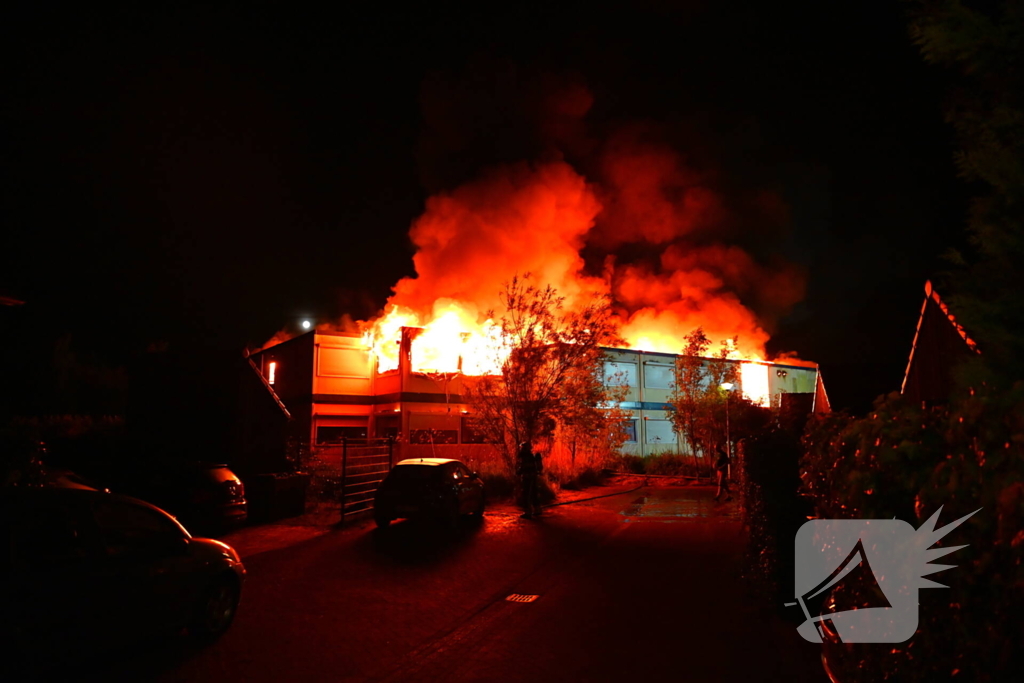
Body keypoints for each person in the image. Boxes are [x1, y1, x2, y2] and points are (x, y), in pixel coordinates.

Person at [516, 441, 543, 518]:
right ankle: (537, 510)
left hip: (528, 478)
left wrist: (519, 472)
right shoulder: (528, 456)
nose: (521, 449)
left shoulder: (527, 457)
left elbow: (525, 467)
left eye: (522, 447)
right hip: (531, 477)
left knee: (526, 494)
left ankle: (528, 512)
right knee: (533, 493)